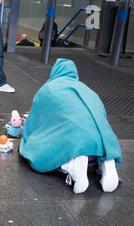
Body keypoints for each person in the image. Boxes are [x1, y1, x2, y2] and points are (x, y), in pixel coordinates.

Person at [19, 58, 123, 194]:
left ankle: (71, 164)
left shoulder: (48, 89)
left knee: (43, 146)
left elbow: (34, 124)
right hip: (104, 145)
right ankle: (107, 163)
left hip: (75, 143)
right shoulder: (88, 90)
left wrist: (26, 138)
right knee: (93, 145)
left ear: (54, 72)